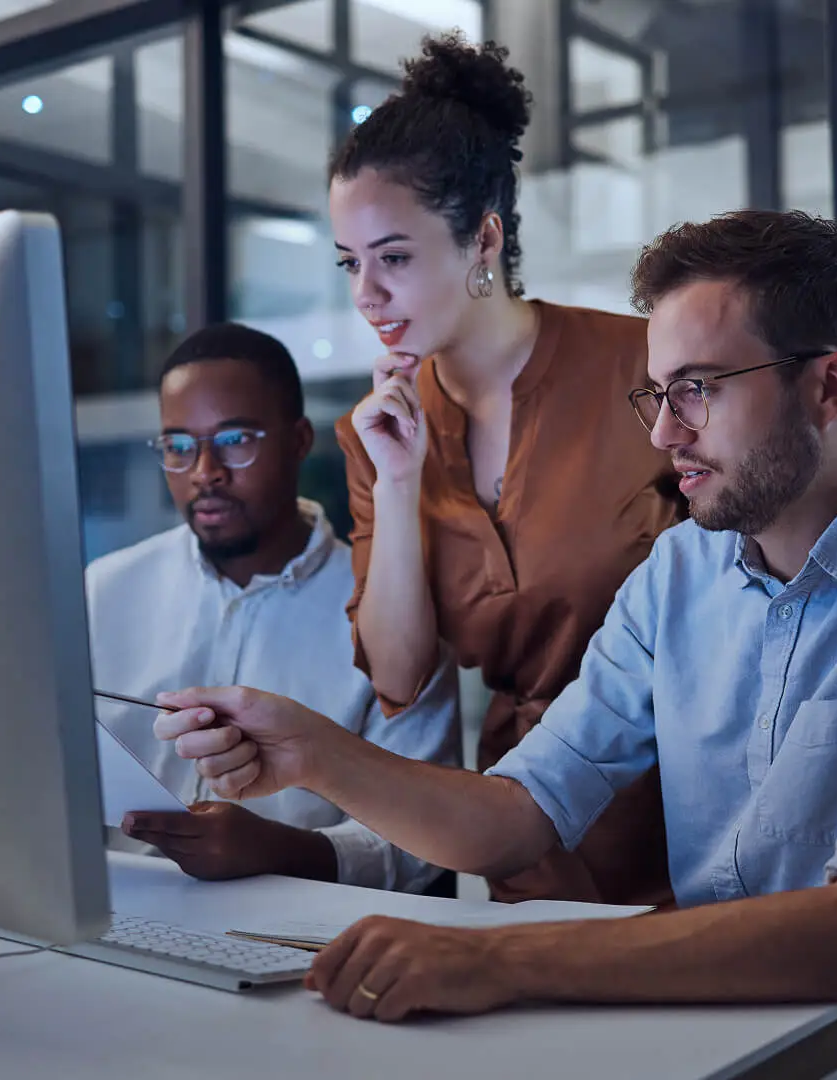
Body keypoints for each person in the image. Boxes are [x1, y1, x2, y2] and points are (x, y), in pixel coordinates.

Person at [155, 211, 837, 1079]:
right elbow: (520, 815)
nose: (664, 434)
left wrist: (503, 961)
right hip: (717, 1048)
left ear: (830, 388)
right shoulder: (678, 573)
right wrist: (312, 754)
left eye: (699, 389)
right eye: (658, 393)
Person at [329, 32, 682, 904]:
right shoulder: (377, 434)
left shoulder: (646, 367)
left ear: (483, 238)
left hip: (690, 819)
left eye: (394, 257)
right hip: (522, 835)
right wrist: (402, 479)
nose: (365, 296)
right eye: (351, 264)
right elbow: (403, 677)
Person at [85, 323, 459, 893]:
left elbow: (431, 840)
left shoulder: (390, 610)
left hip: (305, 936)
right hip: (118, 913)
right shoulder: (105, 592)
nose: (204, 472)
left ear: (299, 441)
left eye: (235, 440)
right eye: (179, 447)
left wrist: (286, 851)